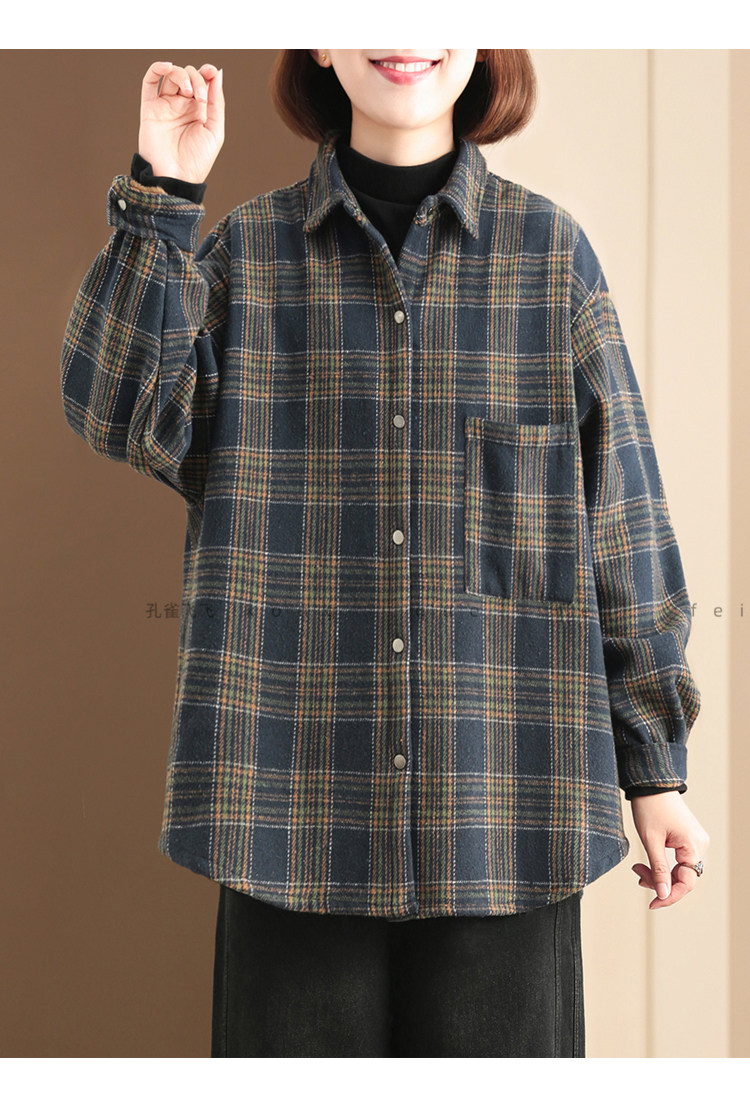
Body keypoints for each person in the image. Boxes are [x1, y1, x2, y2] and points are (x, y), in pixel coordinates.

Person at [60, 49, 710, 1058]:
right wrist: (164, 193)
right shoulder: (245, 256)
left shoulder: (551, 260)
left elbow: (622, 522)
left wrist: (654, 770)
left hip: (508, 817)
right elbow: (120, 410)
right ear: (321, 42)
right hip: (285, 825)